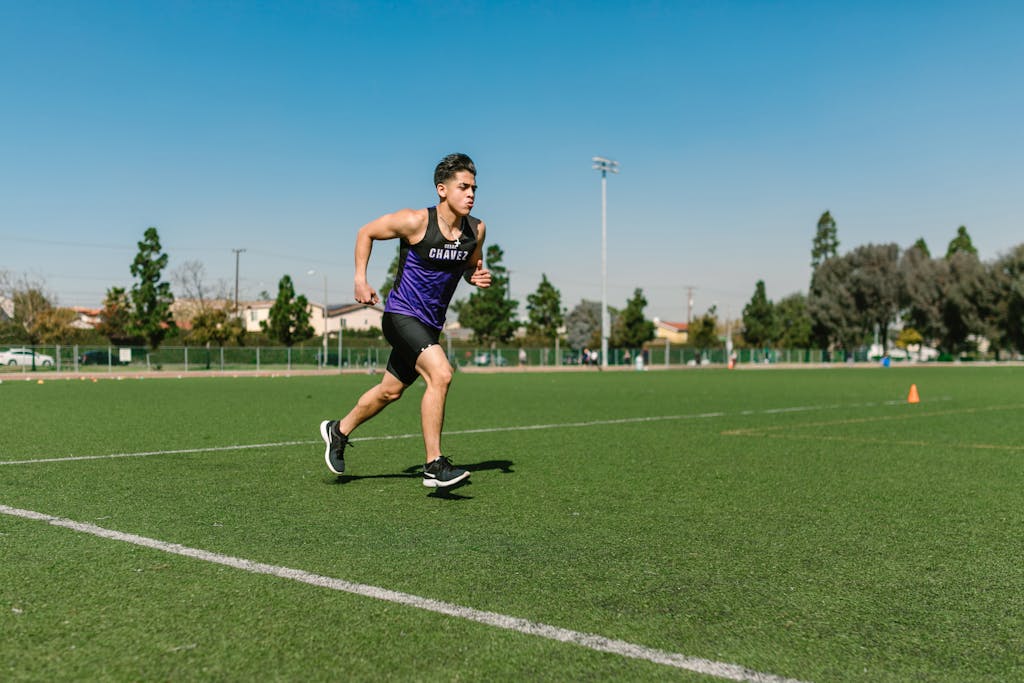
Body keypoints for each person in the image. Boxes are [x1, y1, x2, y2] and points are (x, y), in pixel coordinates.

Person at [319, 153, 491, 488]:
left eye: (474, 188)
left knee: (389, 392)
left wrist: (475, 277)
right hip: (400, 315)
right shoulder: (415, 221)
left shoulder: (476, 230)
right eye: (463, 187)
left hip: (430, 324)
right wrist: (360, 279)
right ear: (442, 189)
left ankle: (337, 431)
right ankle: (434, 464)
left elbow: (472, 264)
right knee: (441, 373)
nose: (471, 194)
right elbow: (366, 232)